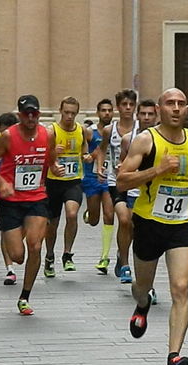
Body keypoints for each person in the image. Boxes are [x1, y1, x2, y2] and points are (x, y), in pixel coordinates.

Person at [117, 88, 188, 365]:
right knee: (142, 285)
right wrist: (156, 170)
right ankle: (142, 303)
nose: (175, 108)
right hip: (148, 223)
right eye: (170, 103)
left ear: (187, 110)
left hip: (181, 224)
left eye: (181, 104)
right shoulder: (147, 140)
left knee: (181, 288)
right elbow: (121, 180)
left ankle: (174, 357)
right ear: (159, 109)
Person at [0, 95, 64, 315]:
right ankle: (15, 249)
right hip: (10, 201)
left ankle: (25, 297)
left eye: (34, 113)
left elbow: (51, 157)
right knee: (18, 256)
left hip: (36, 197)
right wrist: (1, 182)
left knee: (36, 246)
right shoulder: (8, 136)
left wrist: (55, 167)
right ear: (20, 115)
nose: (31, 118)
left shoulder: (47, 134)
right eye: (26, 114)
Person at [95, 88, 139, 283]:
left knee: (133, 224)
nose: (128, 108)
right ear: (118, 107)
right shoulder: (109, 130)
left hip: (137, 182)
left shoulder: (141, 130)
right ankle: (126, 263)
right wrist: (100, 167)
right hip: (117, 181)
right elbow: (102, 149)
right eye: (124, 105)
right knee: (123, 219)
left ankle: (122, 255)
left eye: (131, 105)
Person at [43, 96, 90, 277]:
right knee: (52, 224)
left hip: (73, 181)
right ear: (60, 111)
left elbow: (84, 150)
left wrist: (86, 157)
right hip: (53, 182)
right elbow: (45, 157)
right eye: (66, 112)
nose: (69, 116)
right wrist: (54, 155)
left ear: (77, 113)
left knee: (71, 214)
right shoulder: (51, 131)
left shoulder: (81, 130)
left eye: (73, 113)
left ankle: (67, 254)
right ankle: (49, 256)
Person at [118, 98, 158, 299]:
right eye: (143, 114)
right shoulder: (128, 139)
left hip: (154, 196)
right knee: (129, 226)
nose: (147, 118)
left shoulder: (161, 138)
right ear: (138, 115)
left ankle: (147, 283)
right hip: (133, 193)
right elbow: (122, 167)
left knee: (148, 239)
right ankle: (125, 263)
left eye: (151, 114)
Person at [81, 99, 115, 274]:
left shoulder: (115, 132)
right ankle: (89, 213)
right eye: (103, 110)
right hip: (92, 178)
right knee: (94, 220)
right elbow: (82, 150)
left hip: (109, 179)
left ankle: (104, 257)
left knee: (109, 215)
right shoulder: (90, 132)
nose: (107, 113)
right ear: (98, 112)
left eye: (109, 110)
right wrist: (87, 156)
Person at [0, 112, 20, 285]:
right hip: (2, 192)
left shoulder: (21, 142)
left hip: (25, 194)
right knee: (6, 231)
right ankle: (10, 268)